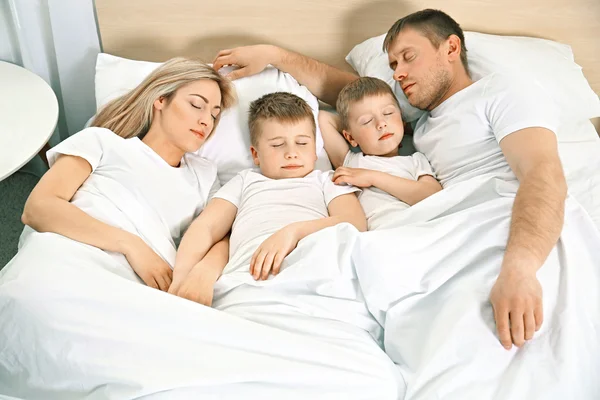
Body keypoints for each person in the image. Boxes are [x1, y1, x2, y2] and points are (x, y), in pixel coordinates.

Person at [212, 9, 566, 350]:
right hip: (435, 238)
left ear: (451, 48)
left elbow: (542, 174)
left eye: (408, 57)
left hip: (507, 235)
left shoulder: (498, 91)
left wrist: (521, 269)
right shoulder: (420, 121)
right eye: (393, 65)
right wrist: (274, 56)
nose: (398, 73)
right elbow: (354, 98)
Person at [14, 57, 236, 303]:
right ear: (160, 100)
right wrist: (131, 245)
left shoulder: (204, 175)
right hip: (71, 256)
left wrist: (203, 274)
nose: (207, 120)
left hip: (137, 285)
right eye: (197, 105)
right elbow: (38, 208)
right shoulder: (102, 142)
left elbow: (223, 236)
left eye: (215, 115)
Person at [173, 91, 366, 294]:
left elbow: (354, 222)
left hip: (316, 268)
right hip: (247, 278)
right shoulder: (245, 181)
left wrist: (292, 232)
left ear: (315, 149)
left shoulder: (327, 180)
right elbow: (206, 227)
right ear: (255, 154)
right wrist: (182, 278)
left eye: (302, 143)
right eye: (277, 144)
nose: (292, 152)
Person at [319, 76, 442, 230]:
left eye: (388, 113)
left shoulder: (415, 160)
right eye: (367, 121)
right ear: (349, 137)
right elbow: (323, 118)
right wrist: (351, 125)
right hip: (380, 235)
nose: (381, 123)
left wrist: (372, 177)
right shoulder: (350, 162)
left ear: (402, 119)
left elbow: (434, 196)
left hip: (417, 226)